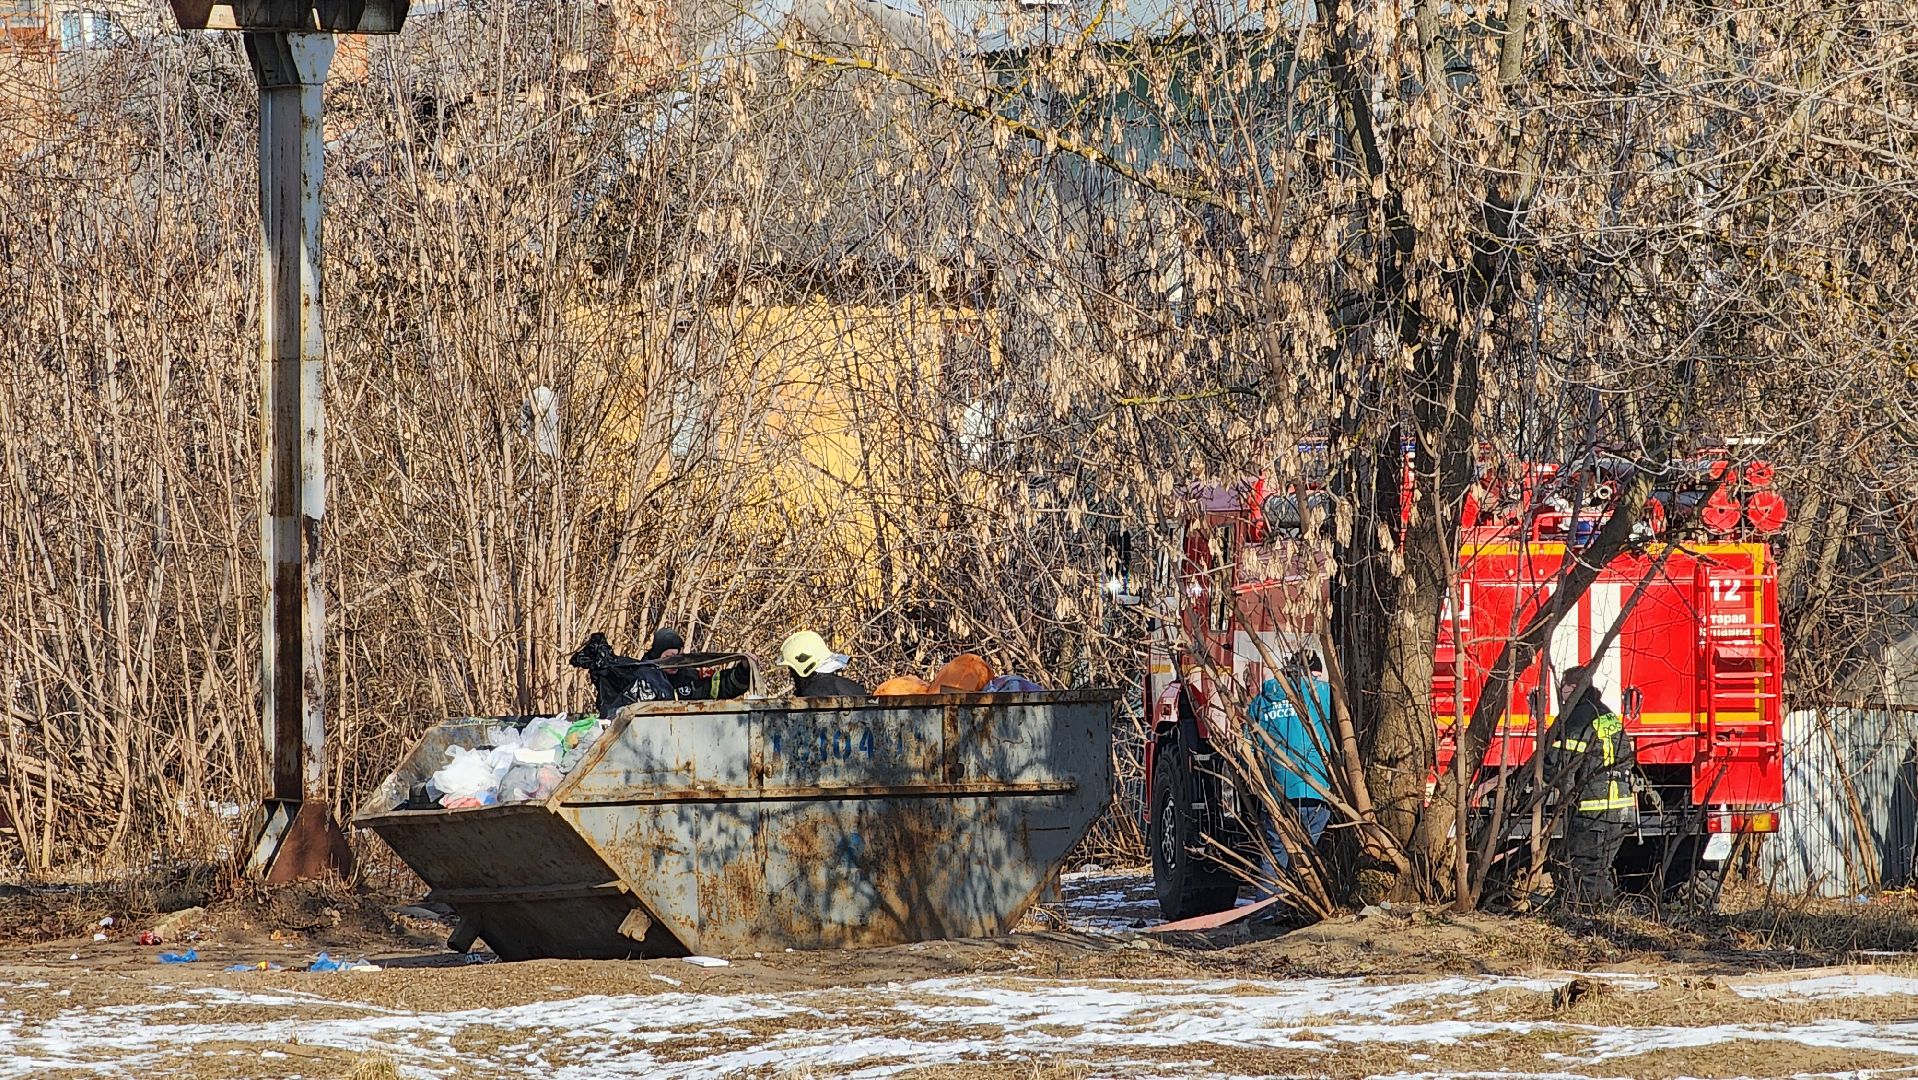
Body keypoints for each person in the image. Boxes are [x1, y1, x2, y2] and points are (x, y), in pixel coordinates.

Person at [1543, 665, 1639, 909]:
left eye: (1564, 689)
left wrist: (1536, 766)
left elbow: (1559, 766)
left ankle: (1590, 922)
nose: (1561, 695)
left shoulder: (1579, 718)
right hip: (1620, 811)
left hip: (1594, 811)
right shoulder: (1606, 715)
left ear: (1573, 688)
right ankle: (1604, 917)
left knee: (1586, 870)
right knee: (1599, 869)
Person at [1247, 652, 1333, 897]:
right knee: (1308, 853)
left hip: (1277, 790)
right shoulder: (1322, 693)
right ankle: (1301, 905)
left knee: (1276, 852)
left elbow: (1245, 742)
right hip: (1316, 788)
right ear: (1313, 672)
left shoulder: (1264, 698)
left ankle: (1265, 910)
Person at [778, 630, 869, 698]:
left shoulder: (812, 695)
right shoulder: (851, 688)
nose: (791, 675)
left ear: (802, 666)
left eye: (792, 670)